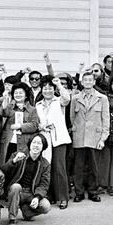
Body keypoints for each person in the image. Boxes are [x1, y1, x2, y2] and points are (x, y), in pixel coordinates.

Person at [71, 71, 110, 203]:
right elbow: (72, 117)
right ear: (82, 82)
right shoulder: (75, 98)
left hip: (95, 136)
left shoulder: (102, 98)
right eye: (85, 80)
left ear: (94, 82)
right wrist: (76, 129)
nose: (87, 82)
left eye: (90, 80)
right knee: (79, 166)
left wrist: (103, 138)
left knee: (94, 166)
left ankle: (93, 191)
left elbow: (106, 119)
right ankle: (79, 192)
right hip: (79, 136)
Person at [0, 134, 51, 225]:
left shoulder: (45, 164)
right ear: (29, 144)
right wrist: (14, 161)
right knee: (16, 186)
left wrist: (37, 197)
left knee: (46, 206)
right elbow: (3, 172)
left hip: (31, 193)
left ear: (43, 147)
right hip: (17, 191)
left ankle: (27, 211)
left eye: (39, 143)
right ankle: (12, 218)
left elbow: (44, 184)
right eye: (34, 142)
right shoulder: (18, 155)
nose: (36, 145)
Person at [36, 76, 71, 209]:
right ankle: (49, 195)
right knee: (46, 167)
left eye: (50, 88)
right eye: (45, 88)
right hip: (45, 138)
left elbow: (67, 98)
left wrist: (59, 86)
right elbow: (36, 121)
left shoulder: (59, 101)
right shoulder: (38, 105)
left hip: (59, 138)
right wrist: (41, 127)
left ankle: (63, 197)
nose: (48, 91)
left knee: (59, 168)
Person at [0, 83, 40, 165]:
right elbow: (2, 113)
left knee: (20, 165)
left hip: (23, 142)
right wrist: (5, 99)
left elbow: (35, 125)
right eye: (16, 93)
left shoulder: (32, 109)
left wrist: (21, 126)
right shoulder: (10, 107)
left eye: (21, 93)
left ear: (26, 95)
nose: (18, 95)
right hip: (8, 141)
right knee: (6, 165)